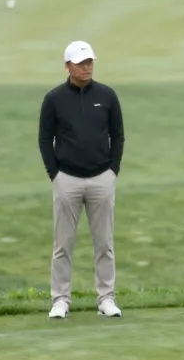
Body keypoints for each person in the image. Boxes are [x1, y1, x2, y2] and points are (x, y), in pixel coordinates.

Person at [38, 40, 125, 319]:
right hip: (67, 179)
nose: (87, 67)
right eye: (81, 63)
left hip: (102, 177)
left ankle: (106, 298)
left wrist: (113, 170)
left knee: (105, 244)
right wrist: (55, 173)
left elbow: (118, 135)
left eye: (89, 62)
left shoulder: (107, 95)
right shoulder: (54, 99)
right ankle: (60, 300)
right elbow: (44, 139)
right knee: (62, 244)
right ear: (68, 66)